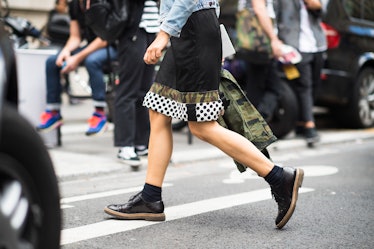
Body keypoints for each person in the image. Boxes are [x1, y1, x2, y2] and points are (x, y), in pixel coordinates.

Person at [104, 0, 304, 229]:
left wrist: (163, 35)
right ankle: (150, 198)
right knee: (158, 110)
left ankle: (279, 177)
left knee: (202, 126)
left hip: (192, 32)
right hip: (190, 31)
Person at [36, 0, 117, 136]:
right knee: (52, 61)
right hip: (92, 46)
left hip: (112, 46)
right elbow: (75, 37)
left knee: (92, 61)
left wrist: (77, 57)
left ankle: (100, 114)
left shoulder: (101, 2)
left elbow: (104, 38)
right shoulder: (75, 5)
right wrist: (65, 52)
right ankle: (54, 111)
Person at [114, 0, 160, 167]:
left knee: (144, 91)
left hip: (151, 30)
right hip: (134, 30)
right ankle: (125, 146)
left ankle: (141, 143)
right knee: (128, 90)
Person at [276, 0, 326, 144]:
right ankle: (309, 125)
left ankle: (301, 122)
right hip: (295, 46)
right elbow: (277, 15)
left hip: (317, 45)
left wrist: (316, 5)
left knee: (315, 85)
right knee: (304, 85)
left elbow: (325, 14)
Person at [237, 0, 284, 122]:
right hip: (259, 44)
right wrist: (273, 39)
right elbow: (259, 9)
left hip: (256, 45)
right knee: (262, 89)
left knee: (267, 88)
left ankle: (257, 123)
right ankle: (255, 124)